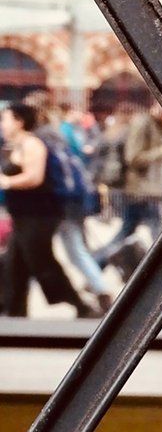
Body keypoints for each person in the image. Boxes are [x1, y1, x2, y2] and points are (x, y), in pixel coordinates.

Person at [0, 104, 99, 318]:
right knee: (15, 264)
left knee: (41, 260)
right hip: (24, 216)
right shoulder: (19, 144)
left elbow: (34, 177)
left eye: (5, 120)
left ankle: (81, 306)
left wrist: (6, 181)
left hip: (40, 215)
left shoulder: (33, 144)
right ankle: (14, 311)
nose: (2, 125)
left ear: (19, 121)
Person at [25, 92, 112, 312]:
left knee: (64, 249)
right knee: (70, 248)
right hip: (72, 198)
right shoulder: (58, 131)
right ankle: (98, 290)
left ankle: (97, 292)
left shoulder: (41, 136)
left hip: (58, 202)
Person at [95, 102, 162, 266]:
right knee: (158, 232)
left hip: (146, 190)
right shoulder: (143, 123)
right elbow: (133, 157)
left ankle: (97, 264)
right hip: (141, 191)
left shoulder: (155, 124)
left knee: (127, 231)